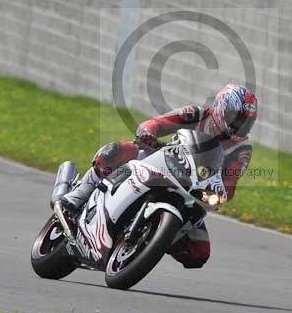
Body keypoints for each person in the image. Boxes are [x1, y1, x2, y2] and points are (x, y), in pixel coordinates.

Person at [55, 84, 258, 269]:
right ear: (222, 108)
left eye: (246, 122)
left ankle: (152, 238)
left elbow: (230, 183)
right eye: (237, 117)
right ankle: (78, 195)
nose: (240, 125)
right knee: (116, 151)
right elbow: (156, 123)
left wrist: (220, 193)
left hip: (194, 190)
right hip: (164, 161)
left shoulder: (242, 148)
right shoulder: (195, 114)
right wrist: (148, 133)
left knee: (199, 252)